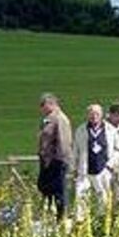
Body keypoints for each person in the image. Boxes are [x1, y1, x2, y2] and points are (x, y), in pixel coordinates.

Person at [72, 104, 116, 220]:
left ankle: (101, 221)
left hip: (102, 169)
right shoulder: (81, 130)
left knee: (103, 198)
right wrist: (74, 168)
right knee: (80, 195)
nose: (94, 116)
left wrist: (110, 166)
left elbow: (117, 150)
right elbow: (75, 149)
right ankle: (80, 222)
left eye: (96, 114)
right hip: (85, 169)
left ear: (101, 115)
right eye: (91, 114)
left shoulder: (110, 130)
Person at [37, 93, 73, 221]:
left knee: (58, 189)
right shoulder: (48, 118)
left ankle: (61, 216)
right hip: (47, 161)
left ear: (52, 104)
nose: (41, 108)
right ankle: (49, 213)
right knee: (44, 187)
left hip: (56, 161)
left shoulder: (60, 119)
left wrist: (59, 161)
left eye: (43, 105)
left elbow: (63, 142)